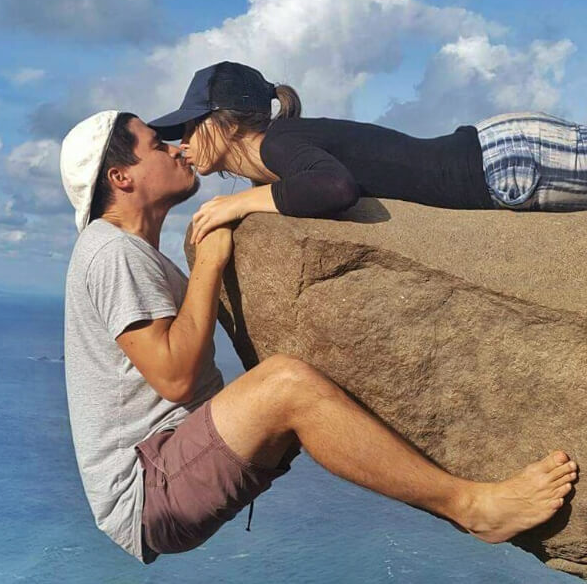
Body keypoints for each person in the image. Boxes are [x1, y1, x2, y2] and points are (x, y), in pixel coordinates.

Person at [59, 109, 577, 564]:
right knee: (285, 384)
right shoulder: (111, 252)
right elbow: (174, 376)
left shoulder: (132, 253)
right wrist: (211, 263)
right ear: (120, 177)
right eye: (157, 144)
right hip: (149, 488)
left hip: (176, 464)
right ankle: (471, 508)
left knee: (308, 373)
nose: (176, 149)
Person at [147, 62, 587, 244]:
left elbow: (335, 188)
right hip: (497, 157)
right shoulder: (279, 156)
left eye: (190, 124)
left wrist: (240, 203)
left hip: (502, 162)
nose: (182, 141)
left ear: (227, 121)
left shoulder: (278, 143)